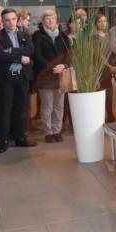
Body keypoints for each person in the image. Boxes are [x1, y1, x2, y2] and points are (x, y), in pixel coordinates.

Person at [0, 8, 37, 152]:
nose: (11, 22)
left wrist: (11, 50)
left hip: (22, 76)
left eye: (13, 19)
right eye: (7, 20)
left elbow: (31, 50)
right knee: (5, 109)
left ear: (17, 19)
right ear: (3, 22)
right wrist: (20, 57)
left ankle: (20, 137)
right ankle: (3, 140)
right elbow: (0, 55)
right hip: (6, 78)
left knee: (21, 108)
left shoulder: (24, 34)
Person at [32, 9, 71, 143]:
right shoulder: (38, 36)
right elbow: (37, 55)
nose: (50, 21)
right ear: (43, 21)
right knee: (47, 105)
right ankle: (48, 132)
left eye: (52, 18)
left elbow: (69, 54)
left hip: (60, 74)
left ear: (56, 20)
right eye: (47, 18)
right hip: (45, 75)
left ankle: (57, 130)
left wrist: (64, 65)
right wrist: (51, 67)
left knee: (59, 105)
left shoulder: (63, 36)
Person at [93, 13, 116, 122]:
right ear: (96, 24)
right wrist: (109, 66)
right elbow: (99, 54)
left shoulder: (108, 35)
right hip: (100, 68)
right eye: (100, 21)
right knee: (101, 93)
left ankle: (110, 114)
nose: (103, 23)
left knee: (110, 92)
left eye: (104, 21)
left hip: (110, 68)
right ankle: (100, 116)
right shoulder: (94, 36)